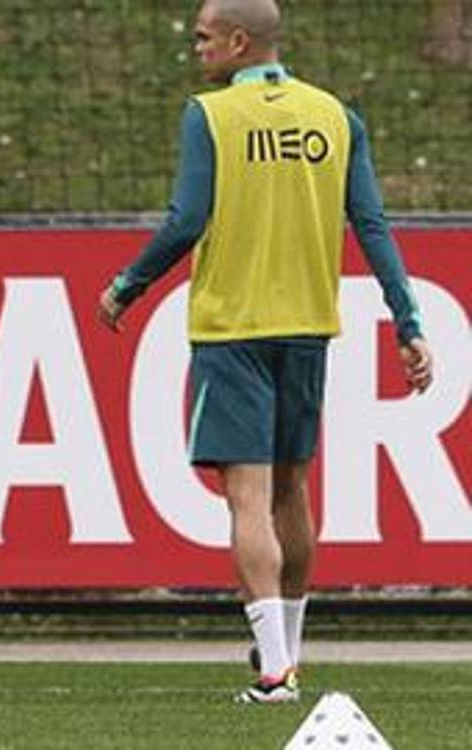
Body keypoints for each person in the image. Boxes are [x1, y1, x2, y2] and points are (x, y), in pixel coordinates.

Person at [98, 0, 435, 704]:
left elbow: (187, 218)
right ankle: (289, 655)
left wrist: (127, 285)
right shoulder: (336, 117)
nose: (196, 50)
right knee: (292, 492)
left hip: (234, 329)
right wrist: (408, 320)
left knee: (246, 498)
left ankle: (273, 670)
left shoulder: (212, 115)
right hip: (309, 326)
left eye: (203, 38)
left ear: (238, 41)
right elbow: (371, 223)